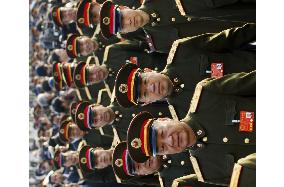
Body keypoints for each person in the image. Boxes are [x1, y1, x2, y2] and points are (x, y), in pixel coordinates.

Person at [126, 71, 256, 186]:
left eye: (162, 133)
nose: (170, 141)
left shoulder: (207, 94)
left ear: (164, 119)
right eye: (163, 148)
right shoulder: (207, 172)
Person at [115, 24, 255, 119]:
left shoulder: (182, 51)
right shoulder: (184, 115)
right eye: (145, 93)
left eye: (146, 81)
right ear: (147, 102)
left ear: (148, 70)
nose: (152, 87)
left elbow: (230, 38)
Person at [99, 0, 255, 53]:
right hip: (246, 37)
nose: (128, 22)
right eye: (123, 26)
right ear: (126, 33)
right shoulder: (158, 43)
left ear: (125, 8)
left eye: (123, 17)